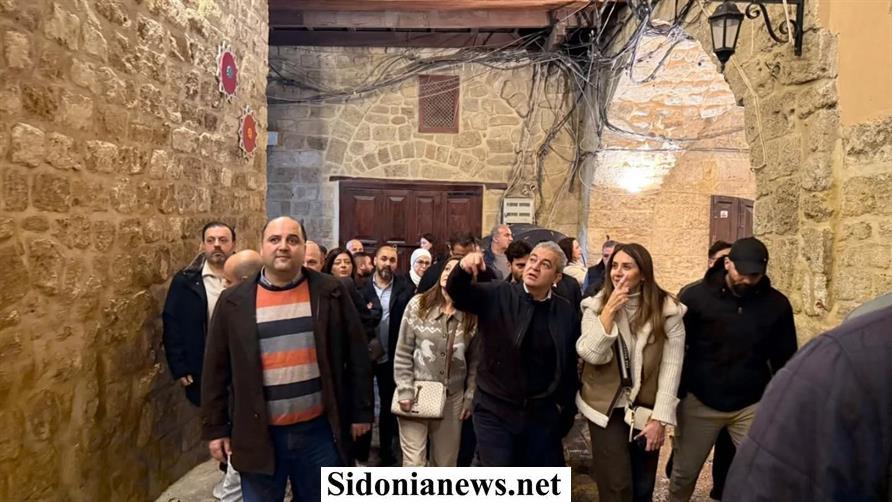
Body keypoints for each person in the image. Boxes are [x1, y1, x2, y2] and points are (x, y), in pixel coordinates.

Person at [201, 217, 373, 501]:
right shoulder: (233, 301)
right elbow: (215, 370)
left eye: (292, 240)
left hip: (319, 433)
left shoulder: (330, 292)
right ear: (262, 247)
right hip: (258, 433)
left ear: (304, 248)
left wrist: (361, 413)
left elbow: (357, 355)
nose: (283, 247)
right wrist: (216, 428)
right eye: (275, 240)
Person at [669, 237, 798, 501]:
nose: (748, 280)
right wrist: (676, 395)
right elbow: (675, 350)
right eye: (742, 272)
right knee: (684, 473)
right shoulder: (694, 297)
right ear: (727, 263)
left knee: (764, 472)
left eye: (755, 275)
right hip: (700, 402)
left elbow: (785, 357)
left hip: (751, 404)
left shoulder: (776, 305)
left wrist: (782, 402)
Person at [722, 303, 892, 502]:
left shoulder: (776, 304)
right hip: (707, 401)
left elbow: (783, 351)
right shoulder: (840, 362)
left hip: (749, 400)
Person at [446, 241, 579, 466]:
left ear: (557, 277)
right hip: (495, 408)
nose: (534, 267)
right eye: (532, 260)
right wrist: (463, 268)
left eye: (545, 264)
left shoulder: (565, 311)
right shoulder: (499, 294)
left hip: (540, 413)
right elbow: (458, 294)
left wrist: (565, 411)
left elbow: (567, 366)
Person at [577, 243, 686, 502]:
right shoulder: (594, 306)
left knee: (642, 486)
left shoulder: (668, 310)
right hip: (605, 407)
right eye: (614, 266)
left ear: (644, 274)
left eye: (627, 266)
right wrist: (609, 312)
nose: (618, 272)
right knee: (616, 486)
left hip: (646, 408)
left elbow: (672, 366)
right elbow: (592, 354)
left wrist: (660, 419)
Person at [393, 257, 479, 466]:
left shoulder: (471, 315)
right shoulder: (418, 304)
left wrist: (470, 396)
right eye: (447, 269)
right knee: (414, 463)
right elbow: (403, 351)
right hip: (415, 391)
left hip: (452, 397)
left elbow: (475, 362)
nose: (450, 273)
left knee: (445, 464)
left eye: (457, 270)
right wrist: (404, 389)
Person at [666, 239, 734, 499]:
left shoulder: (750, 298)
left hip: (735, 394)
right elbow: (678, 344)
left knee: (728, 451)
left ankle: (721, 490)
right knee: (687, 459)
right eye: (721, 260)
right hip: (698, 392)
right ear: (711, 262)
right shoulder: (693, 294)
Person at [163, 221, 236, 407]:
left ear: (233, 244)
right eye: (210, 240)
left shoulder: (248, 277)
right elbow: (172, 323)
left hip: (240, 364)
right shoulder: (186, 282)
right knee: (210, 414)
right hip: (203, 365)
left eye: (223, 240)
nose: (217, 245)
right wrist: (179, 366)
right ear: (203, 245)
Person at [323, 247, 383, 466]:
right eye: (338, 263)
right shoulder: (322, 291)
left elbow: (371, 315)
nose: (343, 266)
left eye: (347, 262)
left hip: (351, 370)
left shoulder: (353, 286)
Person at [357, 245, 416, 466]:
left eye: (392, 260)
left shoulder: (404, 288)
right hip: (366, 356)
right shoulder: (361, 288)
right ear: (375, 260)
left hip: (391, 356)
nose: (387, 264)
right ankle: (362, 451)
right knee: (365, 403)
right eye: (383, 259)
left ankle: (386, 452)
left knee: (388, 406)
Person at [213, 250, 263, 502]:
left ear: (244, 281)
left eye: (228, 280)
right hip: (242, 419)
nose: (224, 286)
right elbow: (218, 370)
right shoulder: (229, 309)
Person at [417, 232, 497, 293]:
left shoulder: (484, 272)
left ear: (475, 249)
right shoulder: (434, 272)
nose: (463, 260)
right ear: (450, 250)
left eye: (467, 256)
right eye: (458, 256)